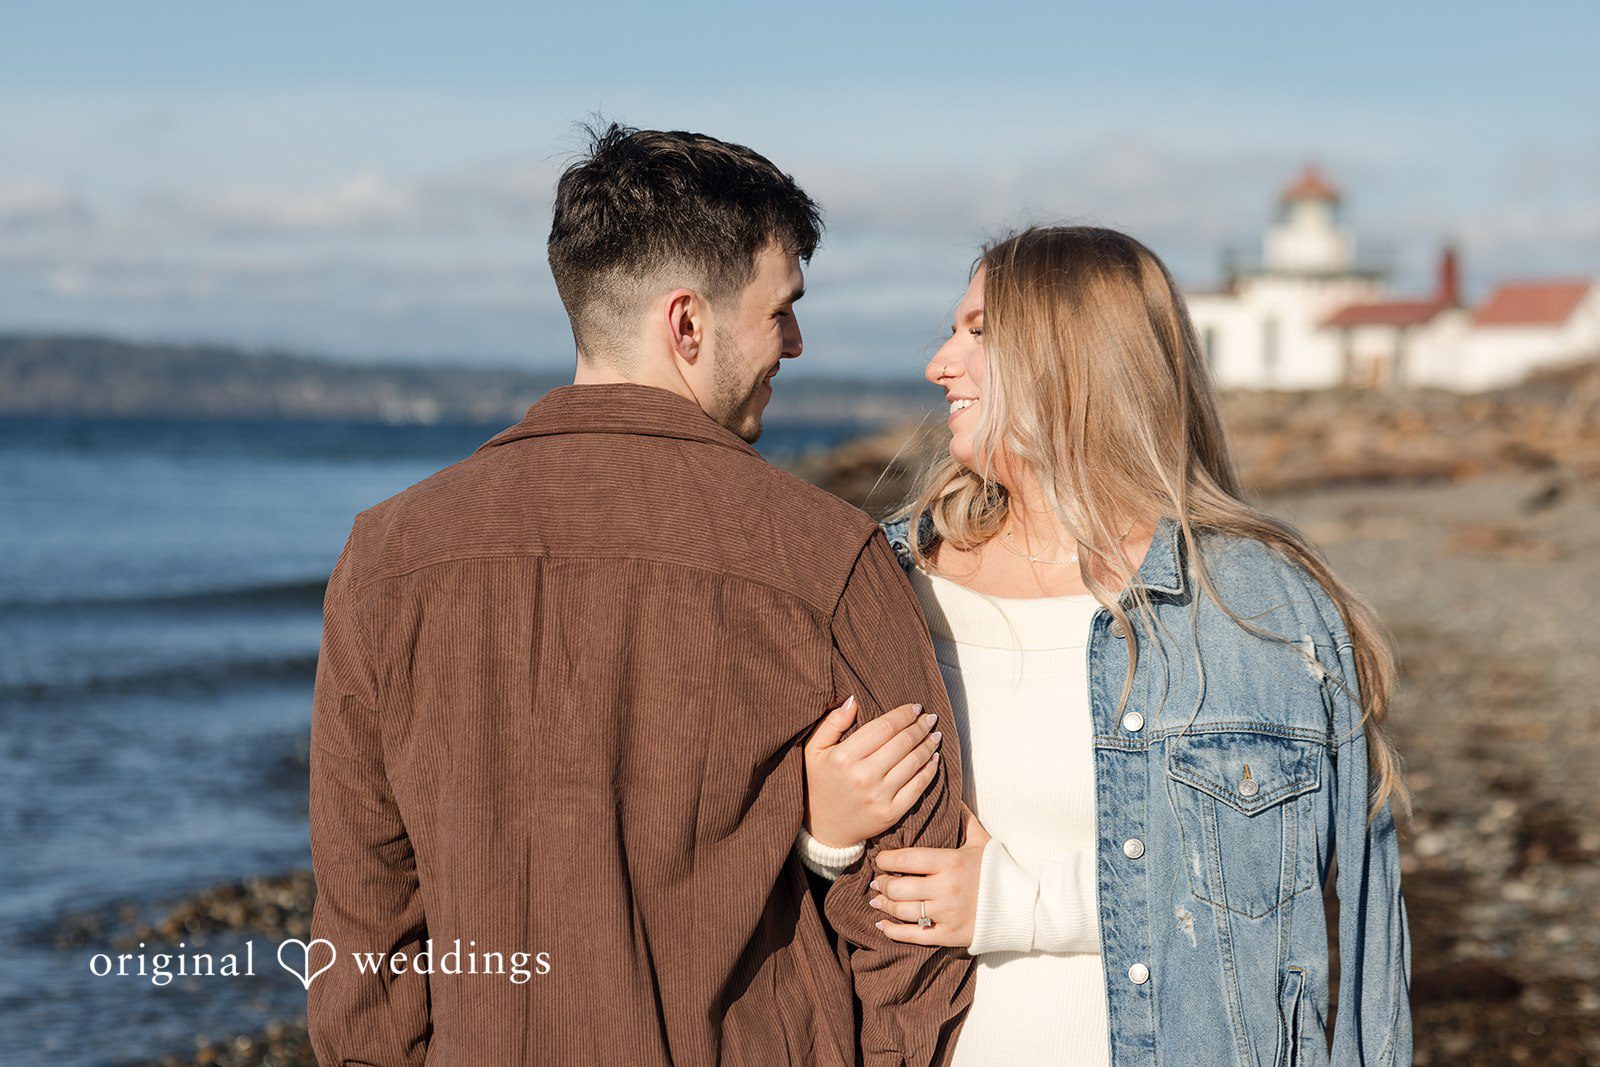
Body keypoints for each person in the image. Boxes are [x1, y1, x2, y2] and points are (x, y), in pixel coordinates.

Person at [307, 123, 974, 1066]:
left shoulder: (386, 556)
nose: (795, 341)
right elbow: (915, 902)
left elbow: (367, 919)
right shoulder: (824, 556)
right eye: (780, 308)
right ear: (687, 324)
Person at [796, 225, 1412, 1065]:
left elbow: (1288, 901)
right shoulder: (885, 586)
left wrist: (1020, 902)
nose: (940, 363)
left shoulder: (1255, 607)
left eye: (979, 332)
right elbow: (775, 919)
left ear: (1074, 355)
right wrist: (823, 837)